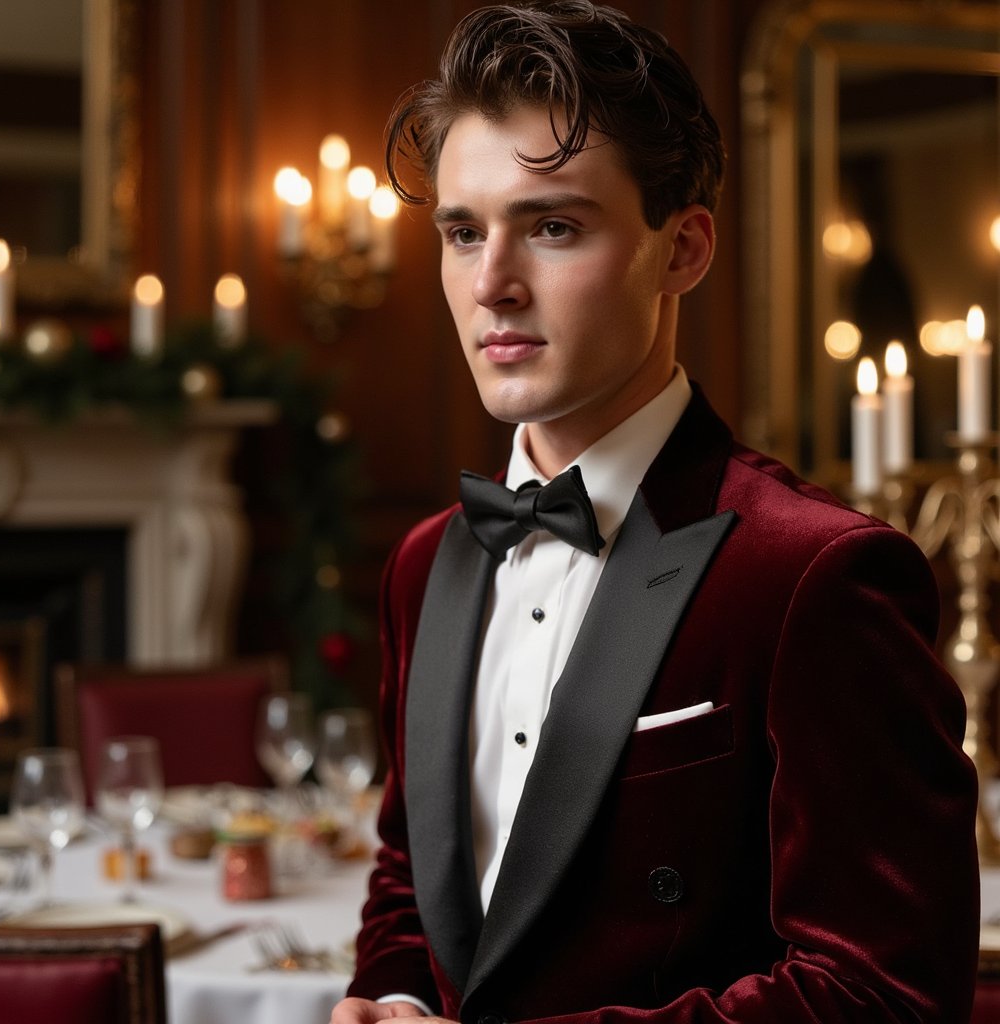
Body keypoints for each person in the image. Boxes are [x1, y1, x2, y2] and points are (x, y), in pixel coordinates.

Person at [331, 2, 980, 1021]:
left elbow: (879, 991)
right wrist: (388, 993)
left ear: (682, 249)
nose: (491, 283)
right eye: (463, 232)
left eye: (550, 225)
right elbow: (413, 882)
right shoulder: (426, 561)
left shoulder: (813, 570)